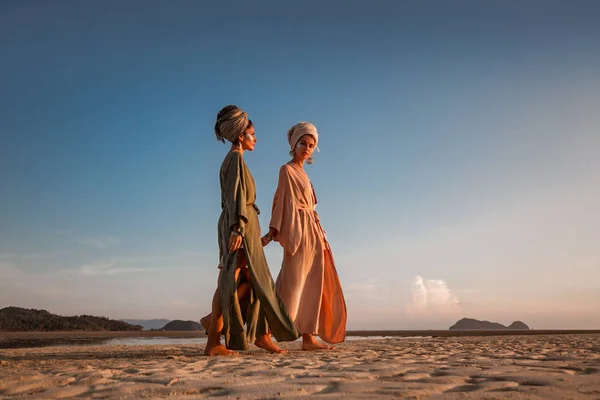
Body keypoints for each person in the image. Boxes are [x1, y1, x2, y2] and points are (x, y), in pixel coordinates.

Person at [204, 105, 299, 356]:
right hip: (239, 223)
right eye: (252, 134)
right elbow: (236, 196)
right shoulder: (234, 159)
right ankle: (214, 340)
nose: (256, 138)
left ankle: (256, 333)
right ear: (239, 136)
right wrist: (237, 229)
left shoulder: (236, 160)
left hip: (243, 222)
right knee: (232, 279)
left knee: (250, 281)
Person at [263, 122, 347, 350]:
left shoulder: (304, 174)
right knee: (293, 283)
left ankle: (309, 337)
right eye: (303, 143)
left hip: (315, 232)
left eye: (311, 145)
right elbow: (281, 201)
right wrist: (273, 232)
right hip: (299, 231)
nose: (307, 148)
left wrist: (320, 235)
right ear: (294, 144)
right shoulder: (287, 170)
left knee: (313, 284)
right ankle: (266, 332)